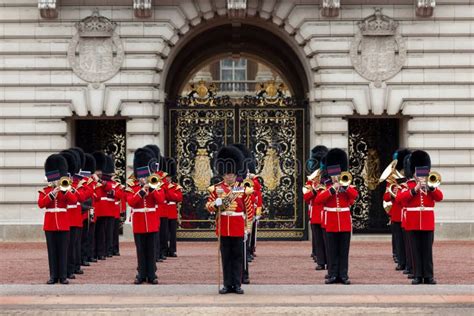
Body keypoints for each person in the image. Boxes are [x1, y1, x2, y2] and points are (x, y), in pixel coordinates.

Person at [206, 146, 253, 294]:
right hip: (224, 227)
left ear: (235, 174)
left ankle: (237, 284)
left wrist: (248, 228)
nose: (229, 177)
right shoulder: (216, 189)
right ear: (223, 175)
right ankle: (227, 284)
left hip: (238, 227)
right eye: (226, 174)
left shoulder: (243, 190)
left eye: (231, 174)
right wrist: (216, 204)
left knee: (238, 257)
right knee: (226, 258)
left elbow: (249, 210)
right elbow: (208, 206)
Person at [396, 150, 443, 285]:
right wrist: (415, 189)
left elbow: (440, 197)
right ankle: (417, 275)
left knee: (427, 250)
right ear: (413, 172)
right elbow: (400, 199)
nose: (421, 175)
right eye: (418, 172)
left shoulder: (431, 185)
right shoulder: (408, 185)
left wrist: (431, 188)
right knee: (415, 250)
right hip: (413, 222)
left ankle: (428, 276)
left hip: (427, 222)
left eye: (423, 172)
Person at [314, 148, 358, 285]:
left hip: (344, 221)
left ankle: (343, 275)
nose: (336, 175)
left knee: (343, 250)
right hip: (331, 222)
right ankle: (332, 274)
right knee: (332, 250)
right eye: (333, 173)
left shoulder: (347, 184)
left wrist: (345, 187)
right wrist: (332, 189)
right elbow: (318, 200)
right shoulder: (325, 185)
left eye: (337, 173)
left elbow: (354, 196)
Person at [126, 148, 165, 284]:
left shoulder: (155, 183)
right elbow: (131, 202)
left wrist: (152, 188)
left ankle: (152, 274)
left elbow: (160, 200)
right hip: (139, 222)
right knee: (141, 250)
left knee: (152, 249)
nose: (142, 177)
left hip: (152, 221)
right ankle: (141, 274)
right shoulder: (132, 186)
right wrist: (142, 191)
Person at [38, 154, 77, 284]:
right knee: (52, 251)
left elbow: (74, 200)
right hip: (49, 225)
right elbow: (41, 204)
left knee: (63, 251)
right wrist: (52, 193)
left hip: (63, 224)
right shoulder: (44, 191)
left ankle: (63, 276)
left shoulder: (65, 189)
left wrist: (64, 190)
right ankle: (53, 276)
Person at [303, 145, 329, 271]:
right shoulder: (312, 180)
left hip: (326, 214)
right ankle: (320, 261)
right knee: (318, 240)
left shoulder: (330, 178)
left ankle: (329, 261)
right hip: (316, 214)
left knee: (328, 241)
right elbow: (306, 196)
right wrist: (314, 189)